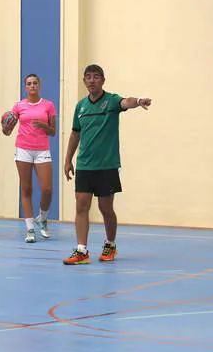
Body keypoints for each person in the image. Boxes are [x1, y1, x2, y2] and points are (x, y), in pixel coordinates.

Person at [62, 64, 152, 265]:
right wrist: (68, 159)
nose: (92, 80)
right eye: (88, 77)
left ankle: (110, 244)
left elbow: (125, 102)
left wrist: (138, 101)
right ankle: (81, 250)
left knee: (105, 208)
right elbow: (75, 133)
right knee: (81, 206)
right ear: (84, 81)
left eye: (96, 77)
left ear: (103, 80)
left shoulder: (110, 101)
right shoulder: (81, 107)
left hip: (106, 166)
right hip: (85, 165)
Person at [2, 73, 57, 242]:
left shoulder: (48, 105)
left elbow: (53, 132)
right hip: (23, 149)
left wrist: (44, 125)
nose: (32, 86)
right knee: (26, 189)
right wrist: (4, 124)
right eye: (29, 83)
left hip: (42, 150)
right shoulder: (18, 106)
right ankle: (30, 228)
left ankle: (43, 218)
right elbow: (7, 131)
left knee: (47, 189)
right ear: (25, 87)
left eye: (35, 83)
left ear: (39, 86)